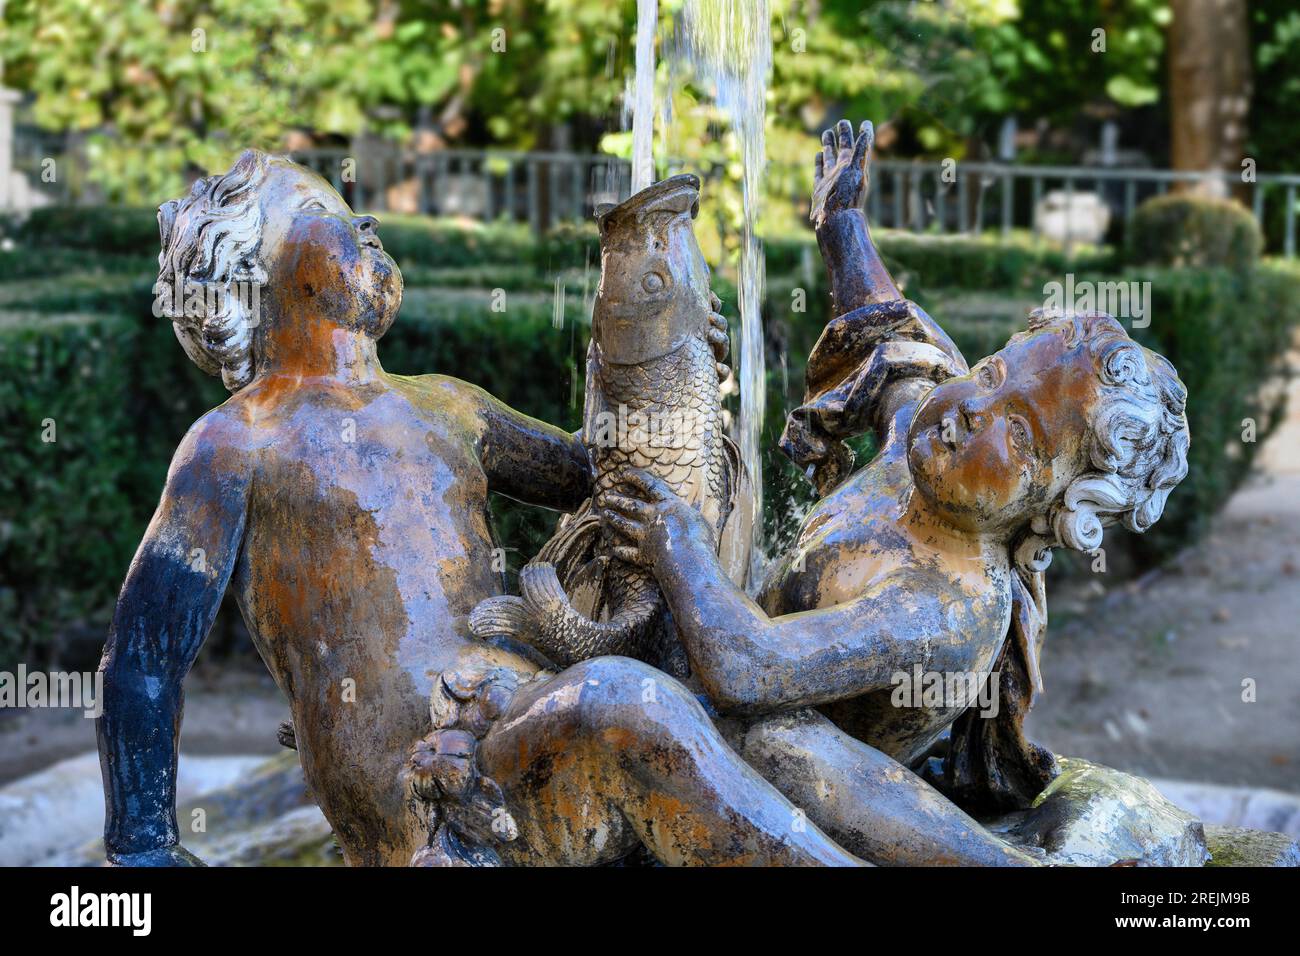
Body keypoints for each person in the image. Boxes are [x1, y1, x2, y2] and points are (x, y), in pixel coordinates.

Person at [99, 150, 857, 867]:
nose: (366, 226)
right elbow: (143, 656)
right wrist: (143, 845)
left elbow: (600, 476)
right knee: (629, 703)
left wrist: (665, 360)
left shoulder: (449, 405)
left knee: (774, 735)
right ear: (254, 273)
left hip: (523, 719)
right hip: (424, 788)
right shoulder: (236, 443)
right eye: (327, 215)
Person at [598, 120, 1191, 865]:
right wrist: (840, 224)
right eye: (994, 374)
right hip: (741, 667)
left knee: (783, 745)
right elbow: (887, 336)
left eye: (1020, 437)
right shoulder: (927, 447)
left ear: (1054, 509)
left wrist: (680, 546)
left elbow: (750, 667)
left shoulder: (946, 605)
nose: (974, 408)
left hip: (805, 761)